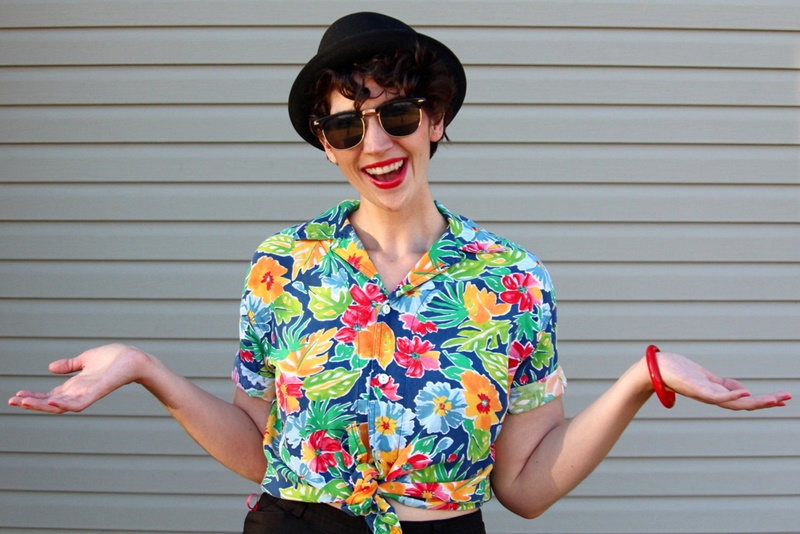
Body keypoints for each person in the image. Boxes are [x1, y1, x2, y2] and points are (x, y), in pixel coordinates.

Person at [8, 11, 791, 534]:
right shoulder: (283, 264)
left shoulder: (512, 279)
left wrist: (638, 381)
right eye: (346, 124)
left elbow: (524, 488)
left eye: (398, 114)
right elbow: (260, 447)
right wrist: (147, 369)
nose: (375, 144)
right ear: (326, 142)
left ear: (437, 117)